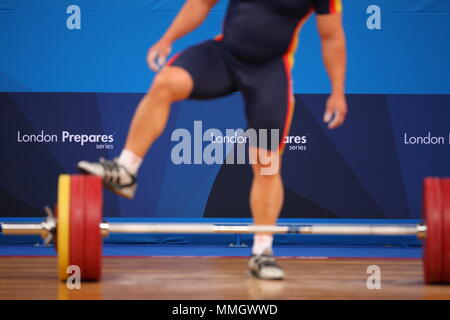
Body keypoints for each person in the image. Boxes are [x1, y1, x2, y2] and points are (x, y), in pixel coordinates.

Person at [78, 0, 347, 280]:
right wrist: (167, 39)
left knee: (266, 164)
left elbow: (332, 37)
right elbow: (200, 3)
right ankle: (125, 169)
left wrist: (337, 91)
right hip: (224, 58)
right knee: (165, 82)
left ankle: (262, 253)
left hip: (268, 76)